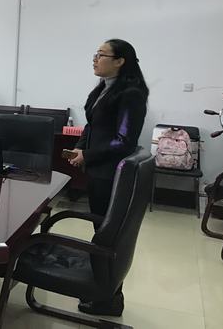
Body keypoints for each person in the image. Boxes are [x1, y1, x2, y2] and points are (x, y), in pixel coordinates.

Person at [65, 39, 148, 317]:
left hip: (112, 175)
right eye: (96, 54)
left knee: (108, 236)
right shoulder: (105, 87)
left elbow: (124, 141)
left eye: (101, 55)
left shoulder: (131, 94)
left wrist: (88, 155)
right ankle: (102, 291)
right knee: (101, 232)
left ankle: (110, 298)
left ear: (120, 61)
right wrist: (80, 148)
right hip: (98, 172)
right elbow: (92, 125)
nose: (95, 59)